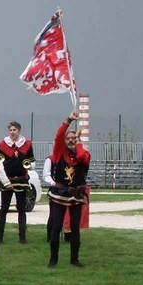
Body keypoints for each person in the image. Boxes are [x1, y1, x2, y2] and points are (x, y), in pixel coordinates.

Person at [45, 112, 90, 268]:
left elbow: (82, 157)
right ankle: (53, 259)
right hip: (60, 194)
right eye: (68, 138)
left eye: (73, 138)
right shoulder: (59, 152)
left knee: (75, 228)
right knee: (56, 226)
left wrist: (77, 143)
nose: (70, 140)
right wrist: (69, 120)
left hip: (75, 196)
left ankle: (74, 259)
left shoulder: (83, 153)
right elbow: (59, 136)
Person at [0, 121, 34, 244]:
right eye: (11, 130)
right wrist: (6, 182)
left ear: (19, 131)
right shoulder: (1, 145)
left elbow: (32, 161)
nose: (12, 132)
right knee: (4, 209)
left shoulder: (27, 144)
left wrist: (29, 166)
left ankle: (22, 237)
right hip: (8, 180)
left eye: (14, 130)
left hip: (21, 180)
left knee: (21, 209)